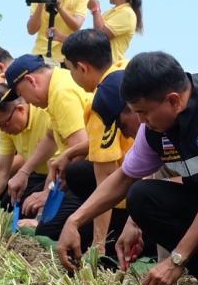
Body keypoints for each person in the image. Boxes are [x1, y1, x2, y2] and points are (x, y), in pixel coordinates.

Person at [55, 51, 198, 285]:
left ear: (174, 100)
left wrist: (177, 259)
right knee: (142, 196)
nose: (140, 121)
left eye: (143, 112)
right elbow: (125, 177)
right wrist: (74, 221)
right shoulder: (154, 128)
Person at [52, 29, 136, 263]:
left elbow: (107, 178)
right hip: (164, 174)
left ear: (83, 67)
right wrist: (69, 152)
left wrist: (98, 245)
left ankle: (111, 243)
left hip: (136, 196)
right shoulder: (124, 69)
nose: (71, 76)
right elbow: (109, 139)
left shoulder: (102, 102)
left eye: (70, 70)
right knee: (78, 169)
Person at [0, 54, 92, 230]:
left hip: (93, 176)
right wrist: (24, 172)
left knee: (48, 229)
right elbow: (51, 138)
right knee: (20, 206)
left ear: (31, 80)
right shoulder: (56, 85)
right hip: (76, 174)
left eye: (20, 94)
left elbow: (80, 151)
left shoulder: (61, 94)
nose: (25, 101)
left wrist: (48, 193)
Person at [0, 84, 53, 221]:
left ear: (20, 110)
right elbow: (1, 169)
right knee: (9, 204)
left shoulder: (46, 117)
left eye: (4, 123)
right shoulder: (4, 125)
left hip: (60, 178)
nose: (2, 129)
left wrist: (41, 215)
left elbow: (59, 167)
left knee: (41, 218)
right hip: (38, 172)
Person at [87, 0, 143, 64]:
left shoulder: (127, 13)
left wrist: (95, 9)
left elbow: (100, 36)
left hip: (111, 67)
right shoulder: (112, 12)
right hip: (100, 65)